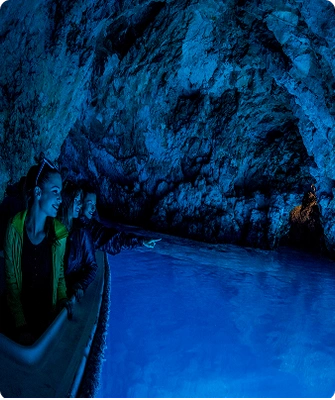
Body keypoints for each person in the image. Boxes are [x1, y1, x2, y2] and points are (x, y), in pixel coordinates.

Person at [4, 158, 71, 345]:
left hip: (46, 318)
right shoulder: (14, 228)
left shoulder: (59, 234)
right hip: (16, 317)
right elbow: (11, 284)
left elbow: (59, 276)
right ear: (38, 192)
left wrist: (64, 299)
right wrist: (21, 326)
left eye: (61, 192)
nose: (60, 198)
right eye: (55, 191)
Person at [78, 182, 161, 255]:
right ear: (80, 203)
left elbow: (113, 239)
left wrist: (141, 241)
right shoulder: (82, 227)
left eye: (94, 205)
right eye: (90, 203)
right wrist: (141, 241)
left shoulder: (89, 224)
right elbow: (112, 239)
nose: (93, 208)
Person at [57, 181, 98, 301]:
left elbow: (92, 266)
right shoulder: (52, 228)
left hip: (68, 291)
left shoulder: (82, 232)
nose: (80, 204)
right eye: (77, 200)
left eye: (81, 201)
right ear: (67, 200)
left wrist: (80, 284)